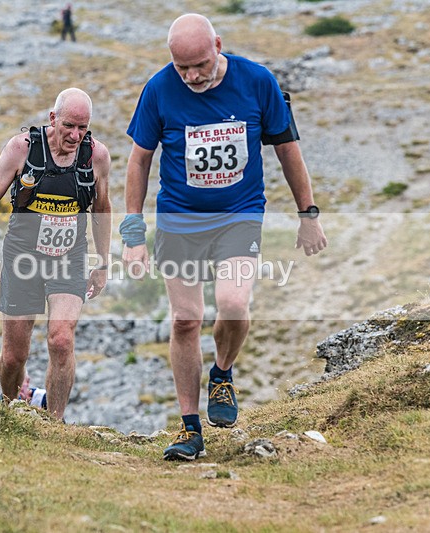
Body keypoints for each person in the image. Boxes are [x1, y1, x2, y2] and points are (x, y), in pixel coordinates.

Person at [121, 14, 327, 461]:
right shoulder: (158, 89)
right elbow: (138, 162)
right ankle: (190, 427)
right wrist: (132, 230)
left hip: (239, 216)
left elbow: (288, 149)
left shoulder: (257, 82)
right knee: (185, 320)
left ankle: (222, 373)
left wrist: (307, 213)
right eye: (182, 68)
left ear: (218, 44)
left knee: (233, 305)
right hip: (178, 220)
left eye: (199, 64)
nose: (192, 76)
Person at [0, 88, 112, 421]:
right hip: (23, 257)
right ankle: (7, 413)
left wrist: (104, 263)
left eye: (83, 127)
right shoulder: (21, 149)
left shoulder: (96, 157)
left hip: (70, 257)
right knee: (13, 357)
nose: (75, 135)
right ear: (53, 118)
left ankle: (55, 423)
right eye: (69, 126)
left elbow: (102, 210)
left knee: (61, 339)